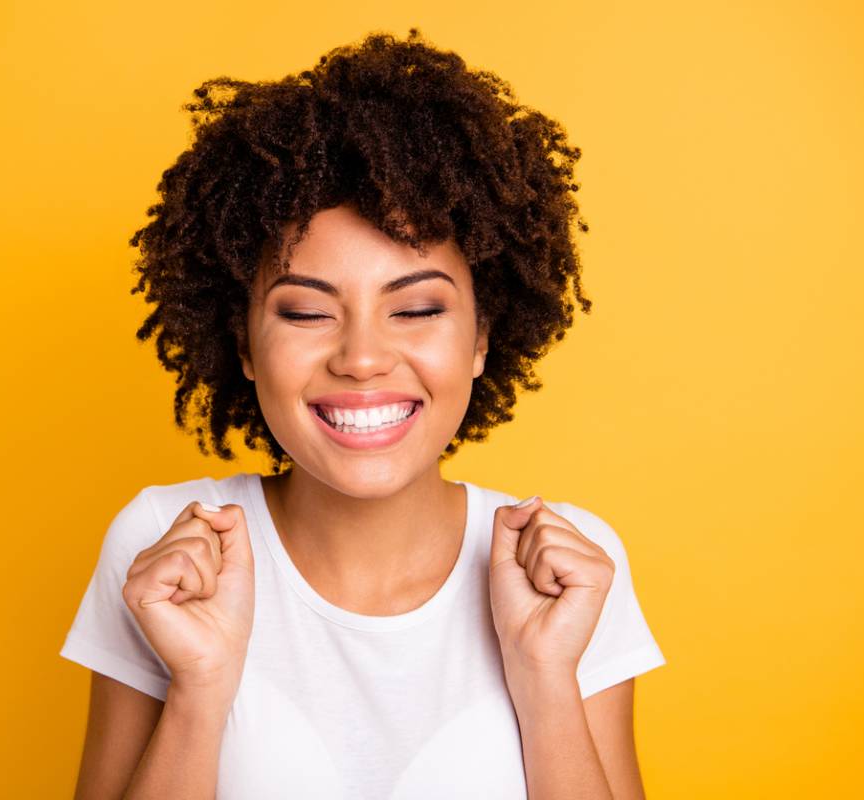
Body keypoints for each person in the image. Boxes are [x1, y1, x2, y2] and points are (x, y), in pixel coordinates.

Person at [60, 28, 667, 800]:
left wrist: (545, 679)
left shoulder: (569, 573)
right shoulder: (163, 548)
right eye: (308, 314)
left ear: (482, 337)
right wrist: (201, 688)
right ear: (244, 346)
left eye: (414, 309)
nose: (362, 357)